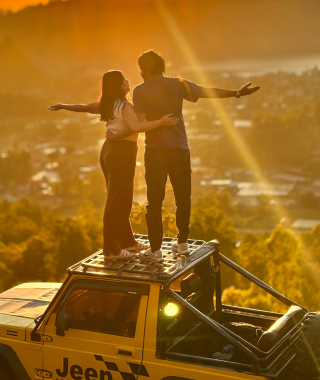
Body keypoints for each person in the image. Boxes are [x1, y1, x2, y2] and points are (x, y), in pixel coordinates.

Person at [107, 50, 260, 262]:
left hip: (156, 151)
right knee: (183, 197)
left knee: (154, 202)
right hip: (180, 149)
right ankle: (182, 243)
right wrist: (236, 93)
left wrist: (115, 136)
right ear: (161, 66)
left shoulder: (141, 90)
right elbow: (206, 92)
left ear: (144, 70)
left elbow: (138, 125)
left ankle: (155, 250)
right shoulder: (177, 84)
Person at [49, 70, 178, 262]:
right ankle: (111, 251)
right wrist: (161, 122)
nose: (127, 81)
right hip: (122, 153)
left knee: (119, 199)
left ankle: (127, 242)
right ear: (118, 85)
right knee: (118, 202)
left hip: (108, 151)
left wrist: (63, 106)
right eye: (123, 80)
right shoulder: (125, 106)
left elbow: (84, 107)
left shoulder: (108, 104)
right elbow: (135, 127)